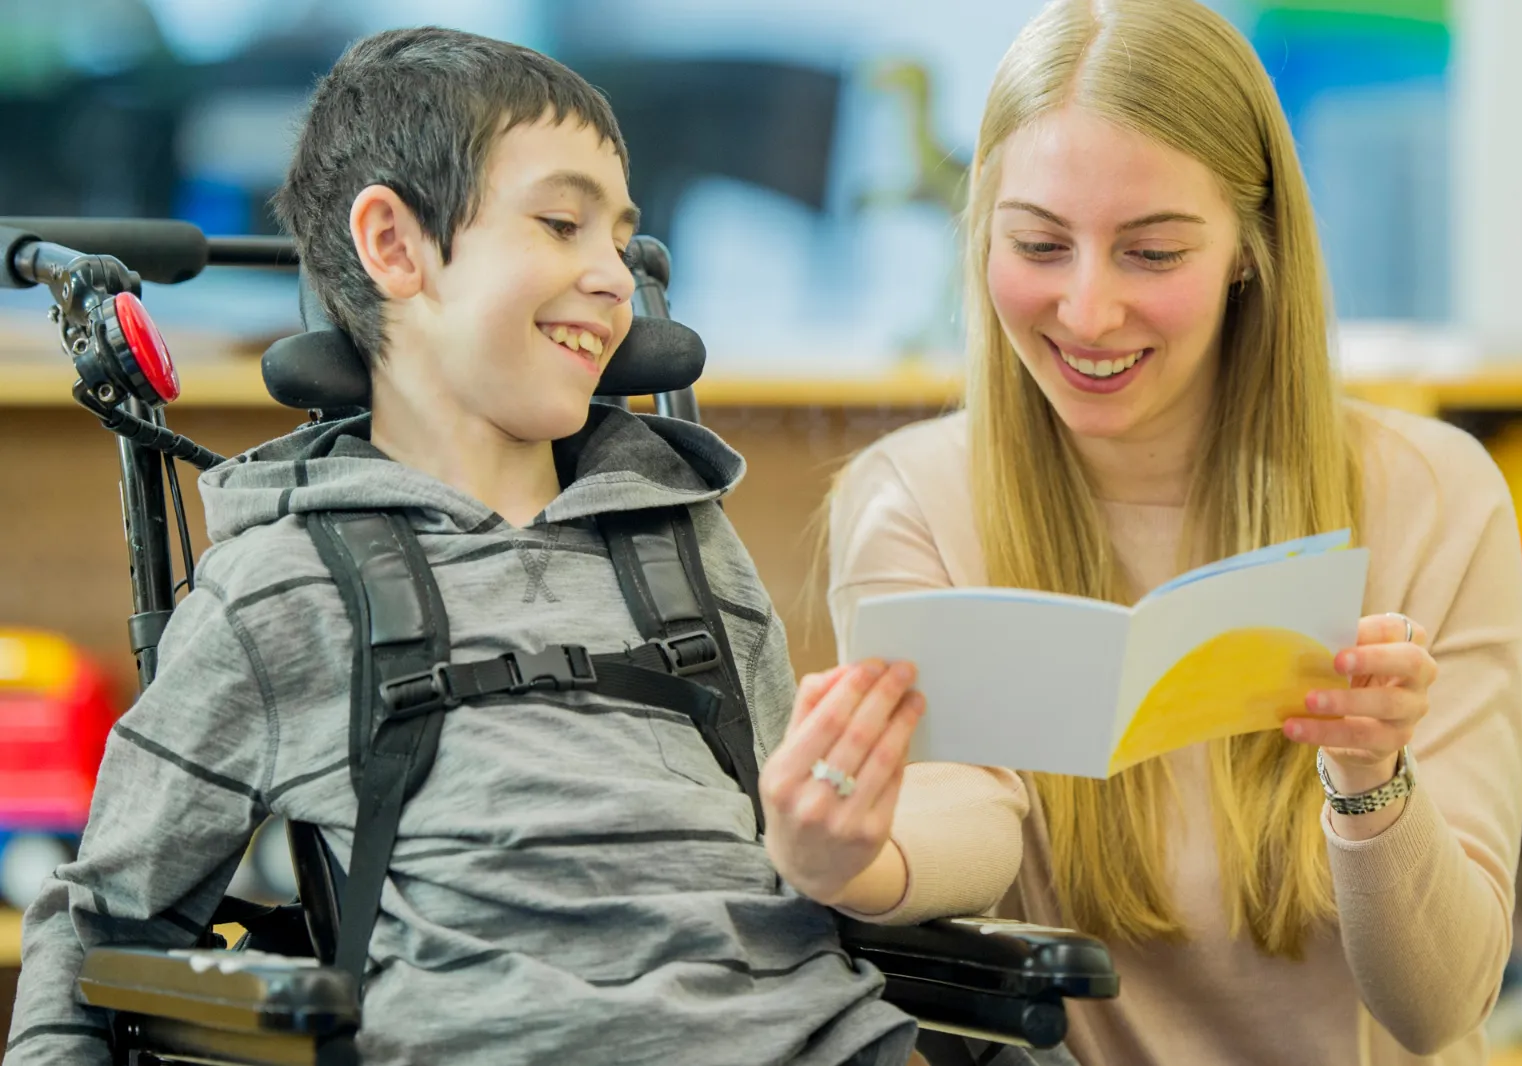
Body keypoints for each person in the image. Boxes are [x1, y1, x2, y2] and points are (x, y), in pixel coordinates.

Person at [4, 28, 929, 1066]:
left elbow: (793, 854)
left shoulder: (684, 539)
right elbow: (101, 930)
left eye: (619, 239)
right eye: (561, 223)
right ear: (395, 246)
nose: (613, 278)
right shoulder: (285, 586)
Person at [821, 1, 1522, 1064]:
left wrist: (1370, 773)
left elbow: (1439, 1006)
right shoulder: (910, 498)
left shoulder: (1432, 494)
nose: (1088, 310)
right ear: (981, 236)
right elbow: (966, 814)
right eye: (1038, 244)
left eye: (1151, 253)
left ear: (1249, 252)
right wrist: (843, 850)